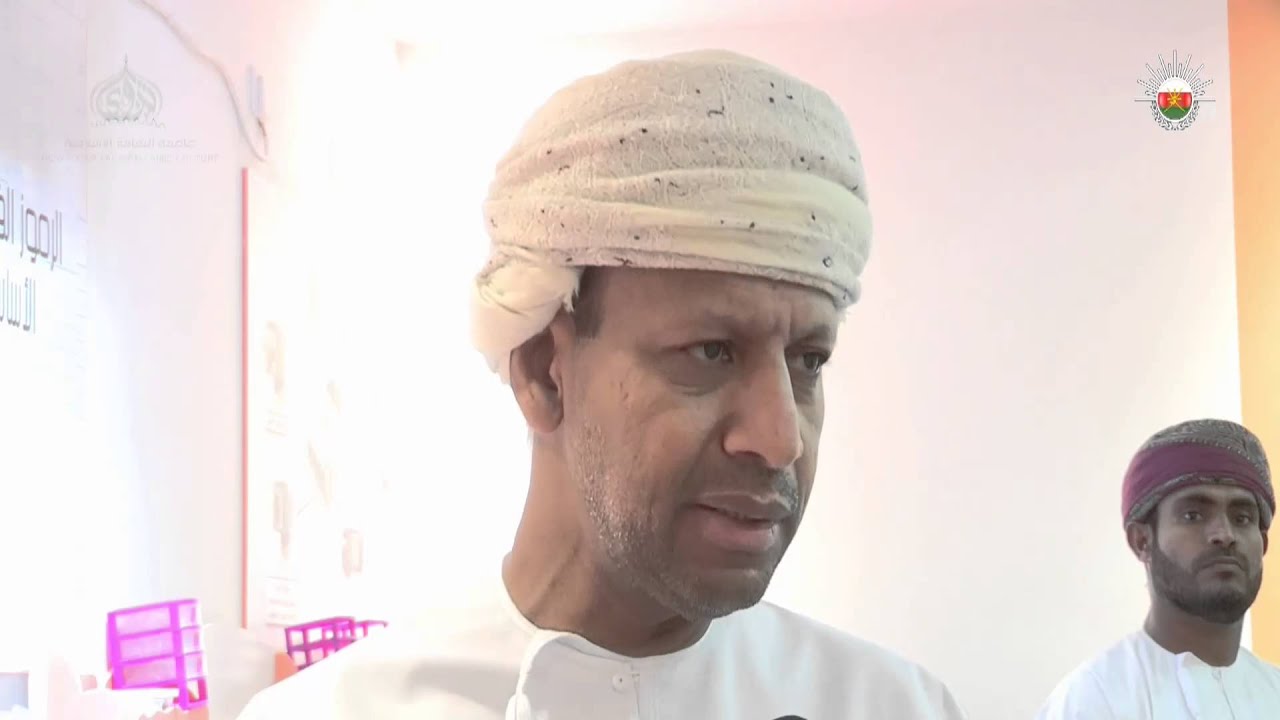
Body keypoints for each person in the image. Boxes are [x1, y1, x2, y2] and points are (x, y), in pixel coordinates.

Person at [235, 48, 965, 719]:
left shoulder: (895, 706)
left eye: (808, 362)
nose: (780, 440)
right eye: (710, 352)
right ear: (542, 375)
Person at [1036, 418, 1280, 719]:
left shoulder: (1273, 690)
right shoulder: (1093, 700)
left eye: (1242, 518)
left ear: (1263, 543)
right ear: (1142, 541)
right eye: (1193, 515)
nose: (1225, 534)